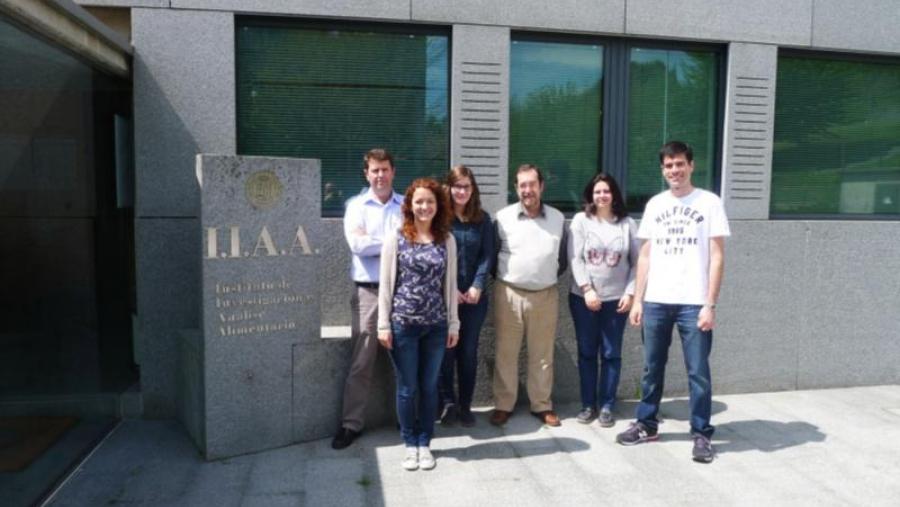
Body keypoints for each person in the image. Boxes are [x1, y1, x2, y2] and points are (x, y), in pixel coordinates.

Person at [616, 141, 730, 464]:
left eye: (680, 164)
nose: (674, 170)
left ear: (691, 165)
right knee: (651, 368)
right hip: (656, 301)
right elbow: (645, 256)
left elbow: (717, 257)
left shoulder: (709, 202)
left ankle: (701, 434)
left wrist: (710, 304)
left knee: (698, 372)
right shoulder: (655, 205)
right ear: (662, 170)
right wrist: (638, 300)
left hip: (694, 303)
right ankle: (646, 424)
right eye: (668, 165)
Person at [377, 178, 460, 471]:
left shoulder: (447, 240)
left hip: (436, 326)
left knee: (429, 386)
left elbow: (450, 285)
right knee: (407, 387)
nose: (425, 207)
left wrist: (453, 323)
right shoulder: (397, 237)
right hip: (403, 325)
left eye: (430, 201)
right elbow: (386, 284)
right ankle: (409, 443)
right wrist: (383, 324)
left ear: (438, 206)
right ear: (410, 205)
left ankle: (425, 442)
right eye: (419, 201)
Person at [332, 148, 402, 450]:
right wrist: (395, 241)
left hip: (402, 291)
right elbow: (357, 246)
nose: (380, 175)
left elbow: (414, 241)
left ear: (393, 171)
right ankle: (351, 424)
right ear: (366, 173)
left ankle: (407, 421)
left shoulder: (406, 205)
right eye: (375, 170)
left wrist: (377, 242)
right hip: (368, 292)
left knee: (405, 360)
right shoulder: (356, 206)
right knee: (361, 361)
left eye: (385, 169)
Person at [491, 164, 567, 427]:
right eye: (522, 185)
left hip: (545, 295)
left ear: (541, 186)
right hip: (509, 294)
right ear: (516, 188)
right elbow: (492, 256)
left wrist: (541, 276)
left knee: (542, 355)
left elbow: (562, 259)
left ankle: (542, 405)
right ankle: (503, 404)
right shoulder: (503, 218)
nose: (527, 190)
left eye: (532, 184)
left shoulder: (557, 218)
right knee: (505, 353)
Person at [568, 173, 638, 428]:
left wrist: (630, 292)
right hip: (583, 299)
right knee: (587, 352)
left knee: (611, 354)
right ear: (591, 195)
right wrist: (587, 289)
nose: (602, 196)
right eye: (597, 191)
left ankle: (607, 405)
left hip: (616, 301)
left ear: (614, 194)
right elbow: (575, 258)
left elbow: (637, 262)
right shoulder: (581, 221)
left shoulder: (627, 224)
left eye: (606, 191)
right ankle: (588, 405)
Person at [437, 165, 493, 427]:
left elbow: (487, 256)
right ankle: (448, 403)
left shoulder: (483, 220)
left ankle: (466, 406)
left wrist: (477, 285)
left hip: (473, 300)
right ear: (448, 188)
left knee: (468, 352)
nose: (461, 191)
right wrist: (448, 289)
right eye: (457, 186)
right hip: (444, 298)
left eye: (466, 187)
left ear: (473, 190)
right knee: (446, 350)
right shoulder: (439, 219)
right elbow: (435, 256)